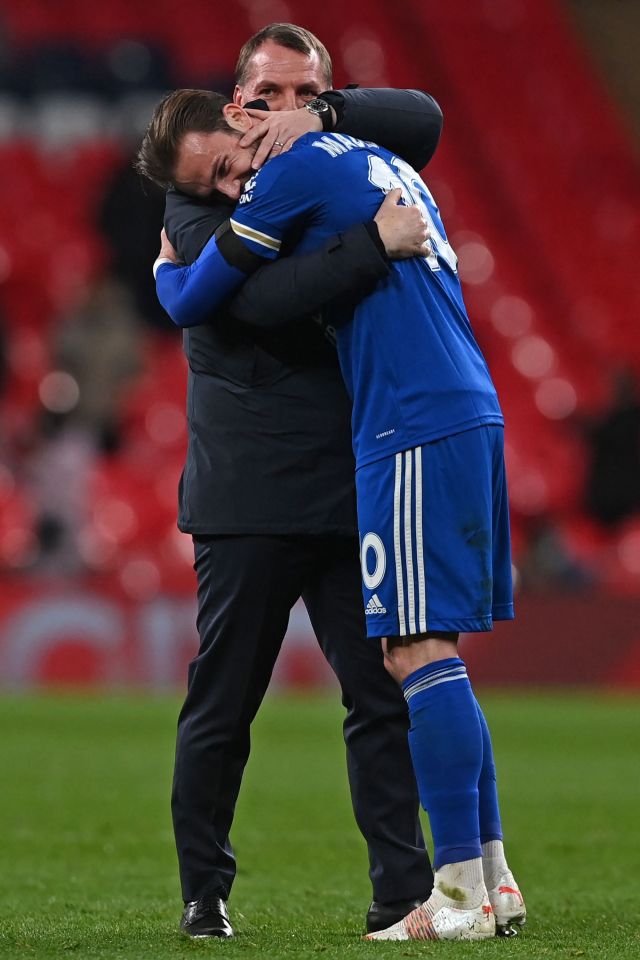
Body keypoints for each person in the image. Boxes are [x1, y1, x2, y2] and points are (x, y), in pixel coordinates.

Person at [138, 86, 527, 942]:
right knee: (328, 678)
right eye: (217, 179)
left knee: (408, 664)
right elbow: (250, 299)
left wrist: (169, 275)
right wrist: (359, 232)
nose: (235, 185)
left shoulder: (301, 162)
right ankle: (482, 883)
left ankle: (445, 891)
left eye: (234, 162)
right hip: (292, 474)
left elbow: (205, 294)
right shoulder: (332, 168)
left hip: (392, 437)